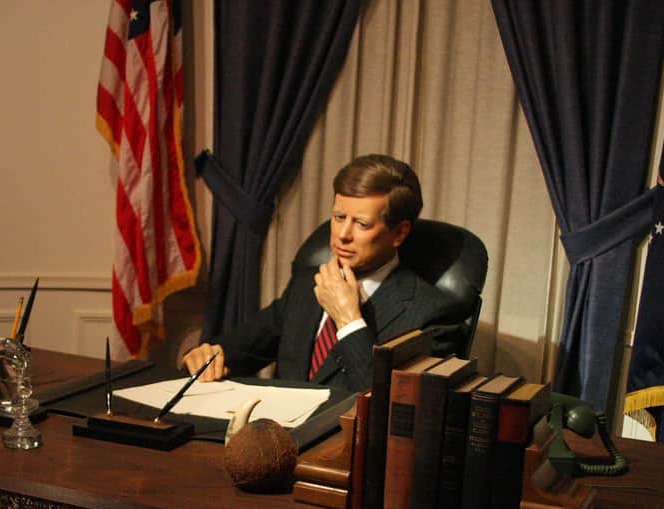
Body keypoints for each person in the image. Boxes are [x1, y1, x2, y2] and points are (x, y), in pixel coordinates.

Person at [182, 154, 461, 392]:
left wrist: (348, 320)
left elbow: (384, 407)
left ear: (399, 233)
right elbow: (237, 348)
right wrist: (206, 354)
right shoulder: (307, 283)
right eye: (339, 218)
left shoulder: (433, 316)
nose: (342, 235)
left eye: (361, 224)